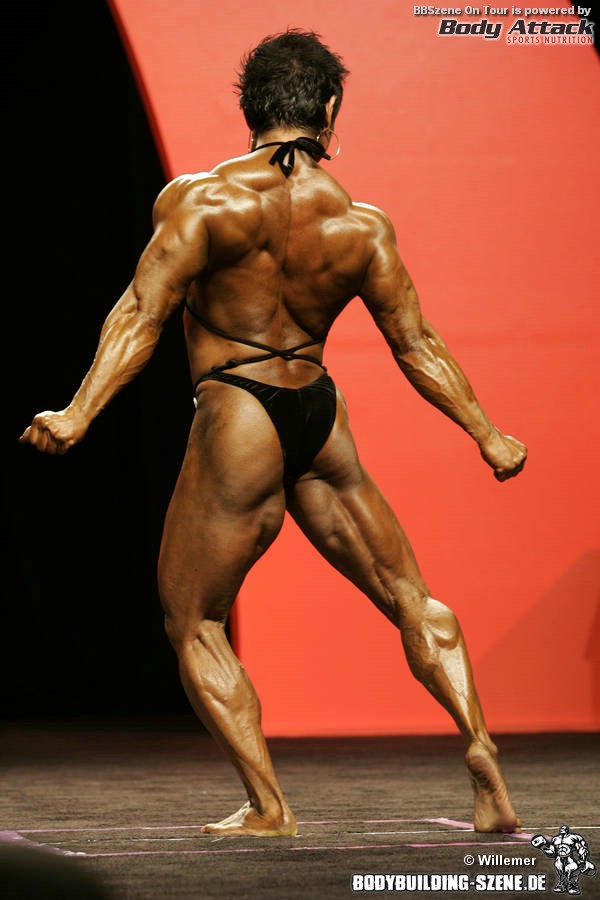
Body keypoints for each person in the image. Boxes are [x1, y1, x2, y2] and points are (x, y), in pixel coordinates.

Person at [19, 29, 527, 837]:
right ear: (330, 109)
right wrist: (487, 433)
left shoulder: (202, 201)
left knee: (193, 621)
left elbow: (142, 313)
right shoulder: (361, 224)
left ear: (250, 107)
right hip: (319, 412)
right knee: (409, 594)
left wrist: (79, 411)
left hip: (238, 411)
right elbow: (417, 345)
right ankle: (479, 745)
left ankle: (269, 806)